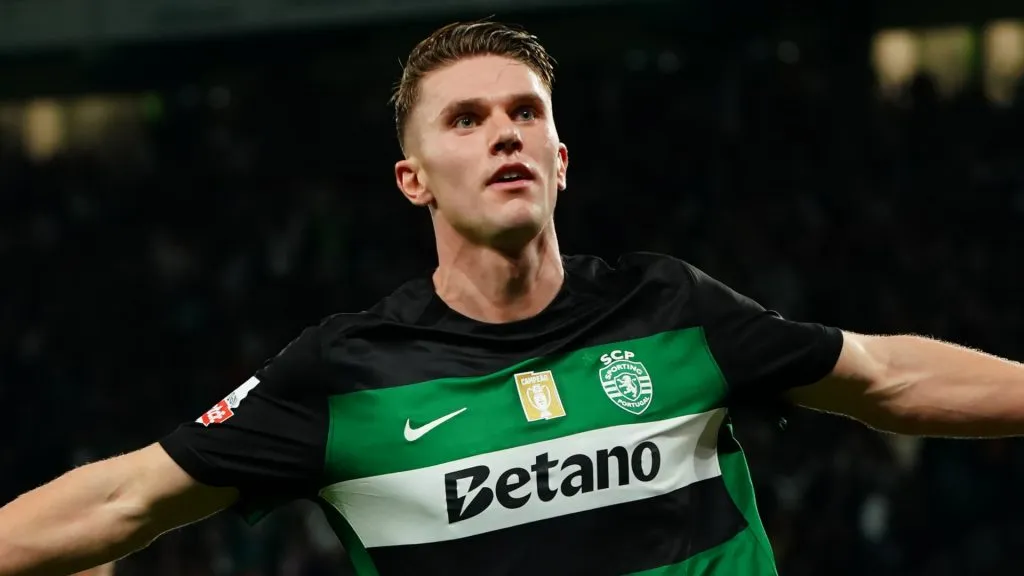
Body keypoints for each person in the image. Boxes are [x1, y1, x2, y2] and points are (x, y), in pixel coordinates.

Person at [2, 19, 1024, 576]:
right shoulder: (343, 374)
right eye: (465, 119)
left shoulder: (672, 308)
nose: (503, 132)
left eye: (524, 113)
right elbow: (123, 496)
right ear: (414, 179)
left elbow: (884, 377)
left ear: (560, 158)